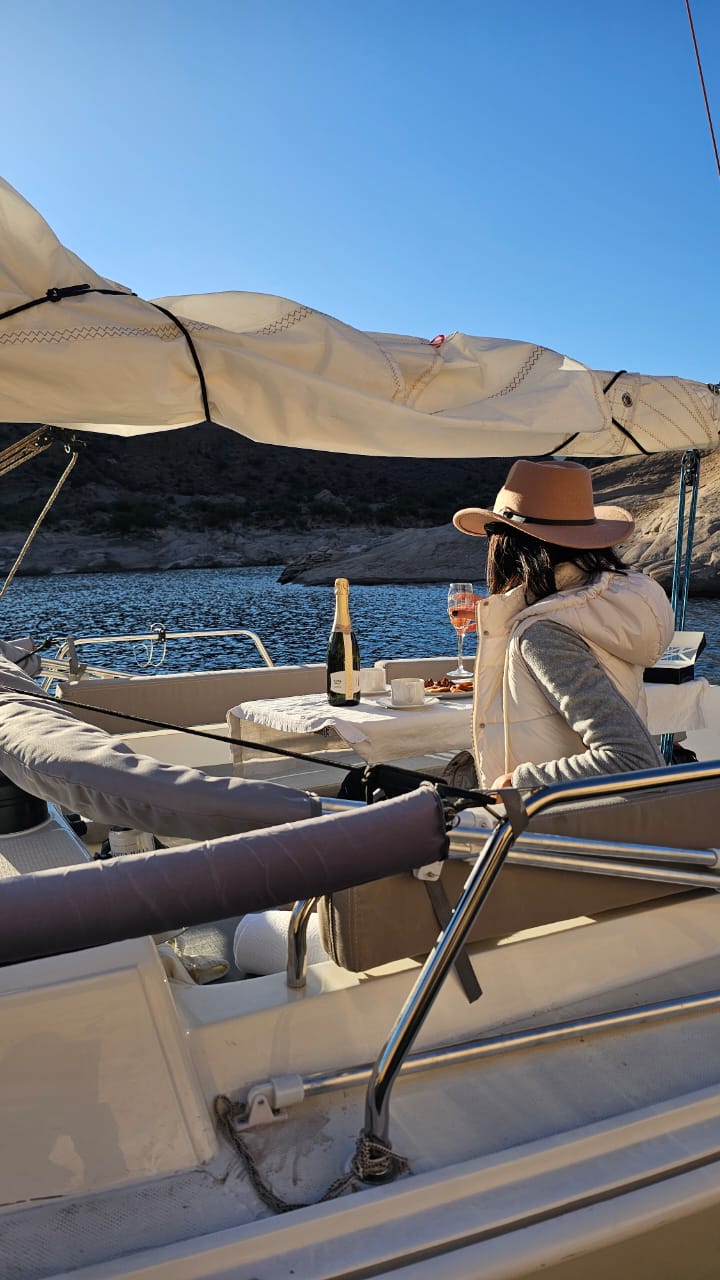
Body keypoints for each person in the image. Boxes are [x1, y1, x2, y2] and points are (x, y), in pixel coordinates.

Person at [452, 458, 675, 791]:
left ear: (509, 543)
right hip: (601, 812)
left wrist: (517, 782)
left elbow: (633, 760)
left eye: (492, 533)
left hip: (556, 817)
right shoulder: (601, 607)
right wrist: (500, 614)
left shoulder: (544, 634)